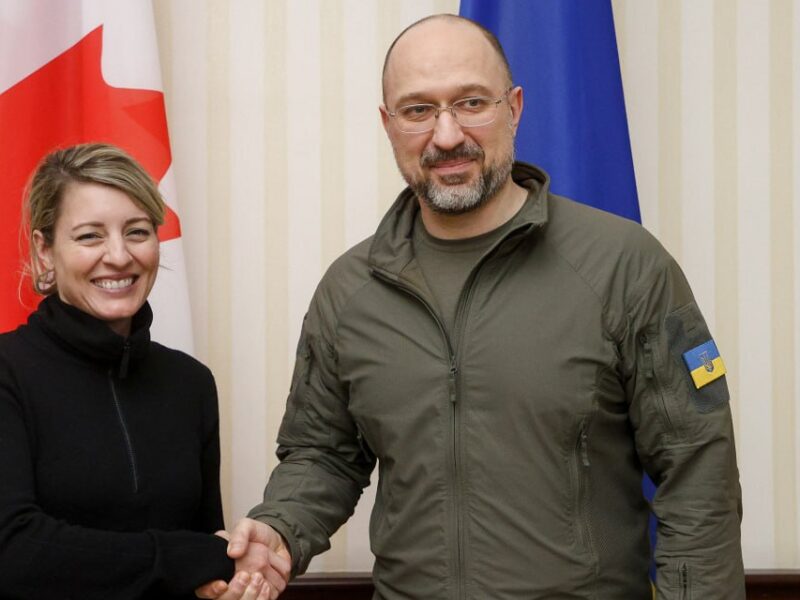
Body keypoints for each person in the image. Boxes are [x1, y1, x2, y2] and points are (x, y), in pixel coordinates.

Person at [200, 14, 744, 600]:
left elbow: (698, 469)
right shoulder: (349, 290)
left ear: (514, 107)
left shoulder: (626, 266)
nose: (447, 135)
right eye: (417, 110)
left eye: (471, 102)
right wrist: (282, 527)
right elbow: (322, 456)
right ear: (387, 124)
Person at [0, 143, 288, 600]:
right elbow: (13, 552)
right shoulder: (8, 371)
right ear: (45, 252)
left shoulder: (191, 384)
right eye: (90, 236)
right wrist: (188, 558)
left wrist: (226, 580)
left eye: (136, 232)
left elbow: (203, 552)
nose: (118, 256)